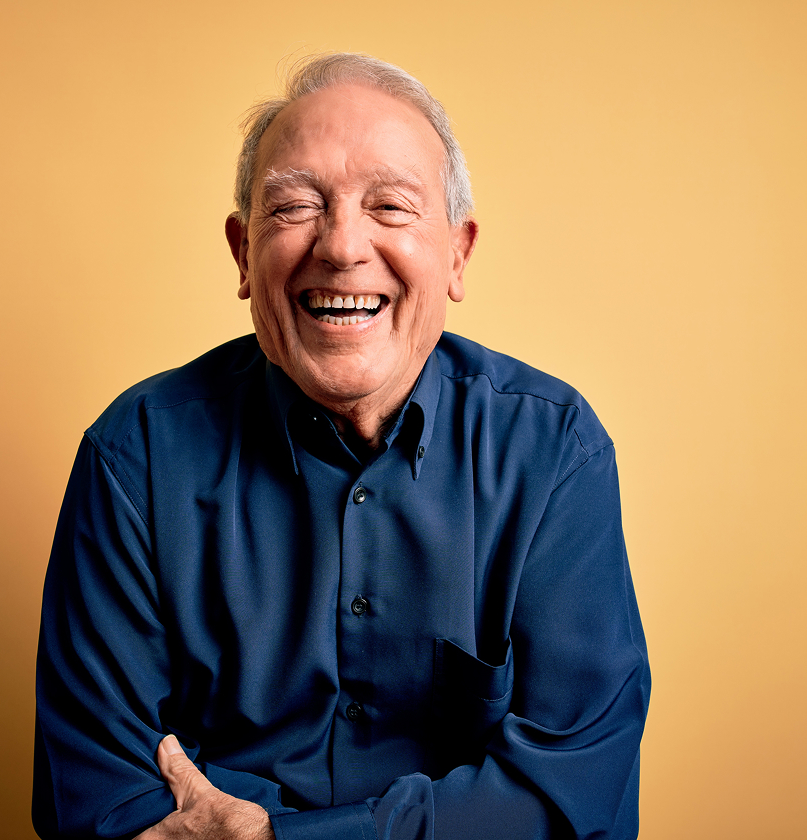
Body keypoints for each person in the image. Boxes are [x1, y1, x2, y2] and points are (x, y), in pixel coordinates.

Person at [33, 53, 650, 840]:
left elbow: (574, 799)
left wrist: (270, 838)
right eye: (295, 208)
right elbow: (97, 801)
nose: (341, 246)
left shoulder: (556, 453)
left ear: (457, 254)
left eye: (390, 206)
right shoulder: (135, 458)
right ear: (242, 252)